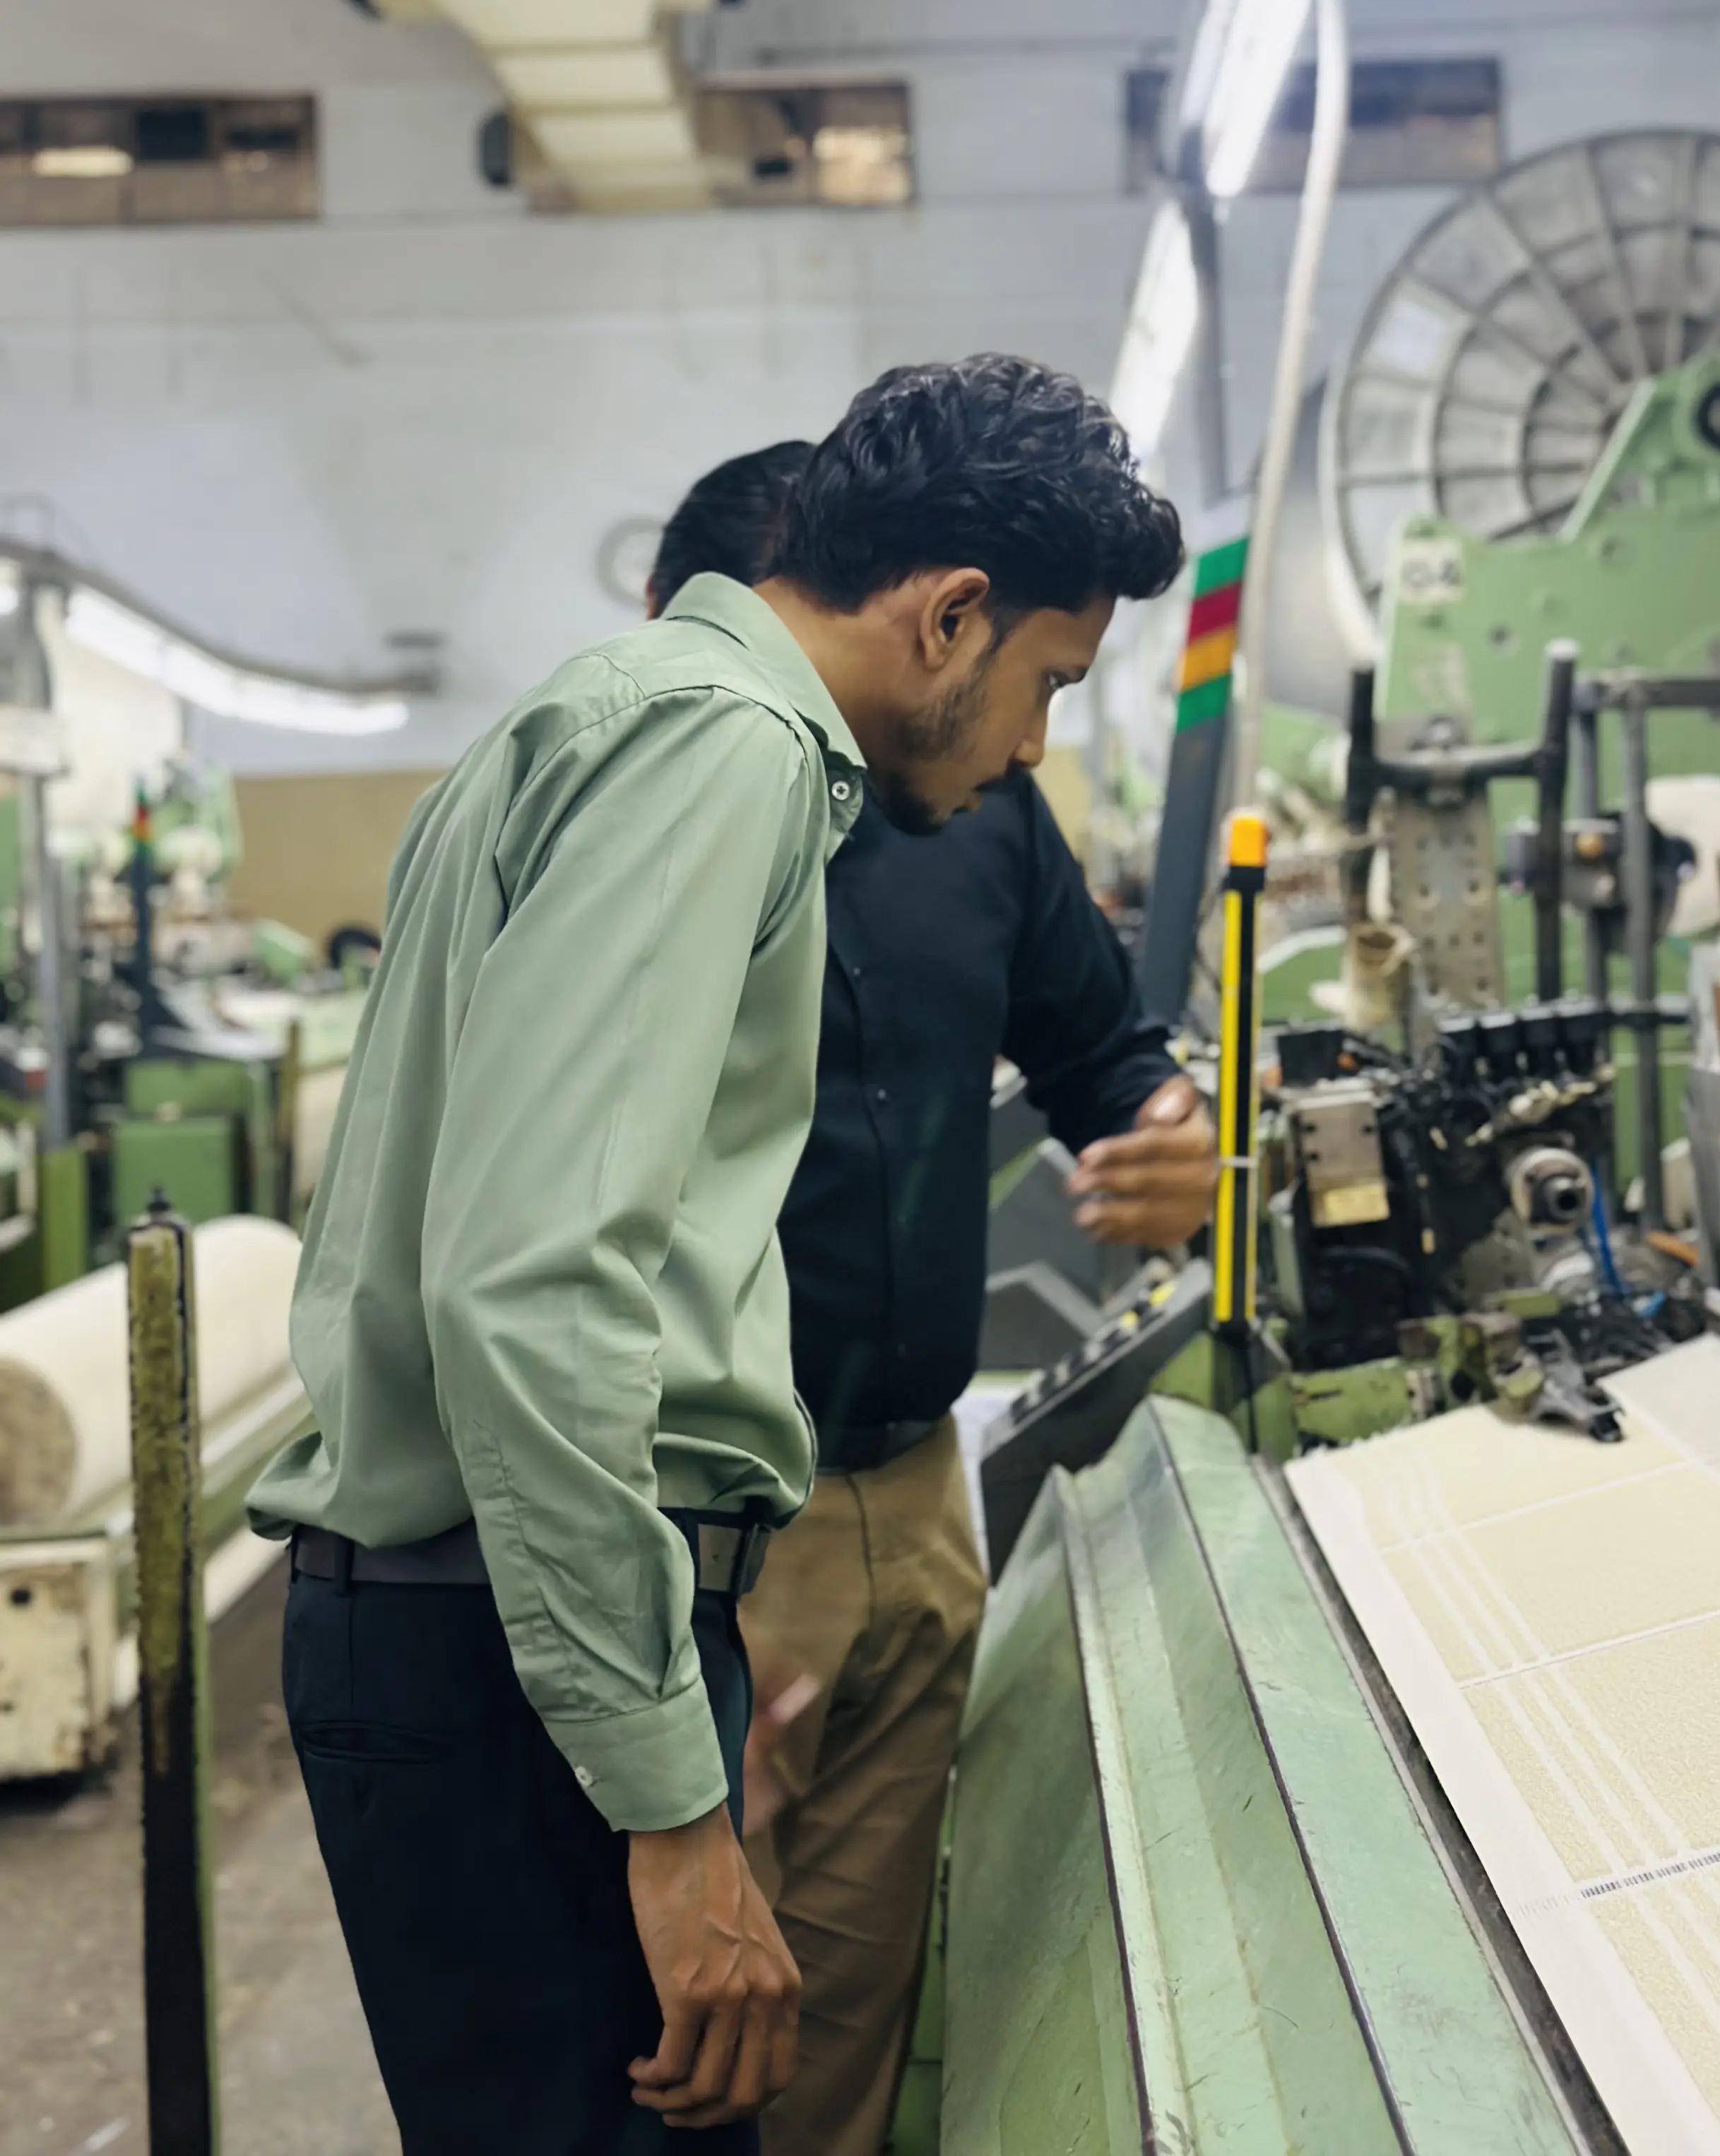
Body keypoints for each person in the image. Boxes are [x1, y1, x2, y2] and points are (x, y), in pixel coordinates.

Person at [250, 357, 1184, 2156]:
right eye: (1050, 685)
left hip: (496, 1612)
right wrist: (674, 1817)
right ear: (952, 616)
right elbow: (534, 1287)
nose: (1037, 750)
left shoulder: (613, 716)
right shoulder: (725, 749)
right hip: (506, 1631)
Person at [646, 441, 1215, 2156]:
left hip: (918, 1492)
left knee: (841, 2036)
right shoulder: (665, 816)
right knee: (670, 2035)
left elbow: (1111, 1055)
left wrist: (1182, 1138)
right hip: (715, 1533)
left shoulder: (977, 814)